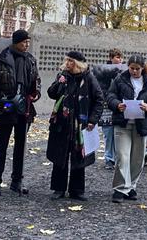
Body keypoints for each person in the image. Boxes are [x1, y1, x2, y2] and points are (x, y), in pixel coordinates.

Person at [0, 29, 41, 196]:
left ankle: (17, 181)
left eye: (28, 42)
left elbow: (36, 81)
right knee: (1, 145)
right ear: (16, 42)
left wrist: (36, 93)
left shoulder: (31, 60)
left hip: (25, 108)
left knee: (21, 146)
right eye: (24, 42)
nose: (27, 45)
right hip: (5, 106)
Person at [46, 51, 103, 201]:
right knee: (60, 155)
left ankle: (77, 190)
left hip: (81, 123)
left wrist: (93, 119)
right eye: (67, 61)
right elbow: (51, 93)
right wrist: (60, 82)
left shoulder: (89, 78)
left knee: (79, 157)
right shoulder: (63, 75)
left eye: (71, 61)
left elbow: (98, 99)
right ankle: (58, 188)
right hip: (62, 122)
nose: (67, 63)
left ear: (77, 64)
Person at [107, 54, 147, 203]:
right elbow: (110, 95)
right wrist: (117, 104)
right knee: (122, 156)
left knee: (137, 159)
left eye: (137, 69)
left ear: (143, 68)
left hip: (142, 124)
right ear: (128, 67)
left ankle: (131, 186)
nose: (134, 71)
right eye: (132, 68)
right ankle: (120, 188)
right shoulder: (119, 79)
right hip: (122, 122)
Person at [99, 48, 123, 170]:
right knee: (108, 133)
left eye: (120, 57)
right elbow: (100, 88)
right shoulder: (103, 71)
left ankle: (117, 157)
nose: (119, 60)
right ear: (111, 58)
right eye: (117, 57)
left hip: (118, 106)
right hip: (107, 106)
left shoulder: (123, 72)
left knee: (118, 133)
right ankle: (109, 158)